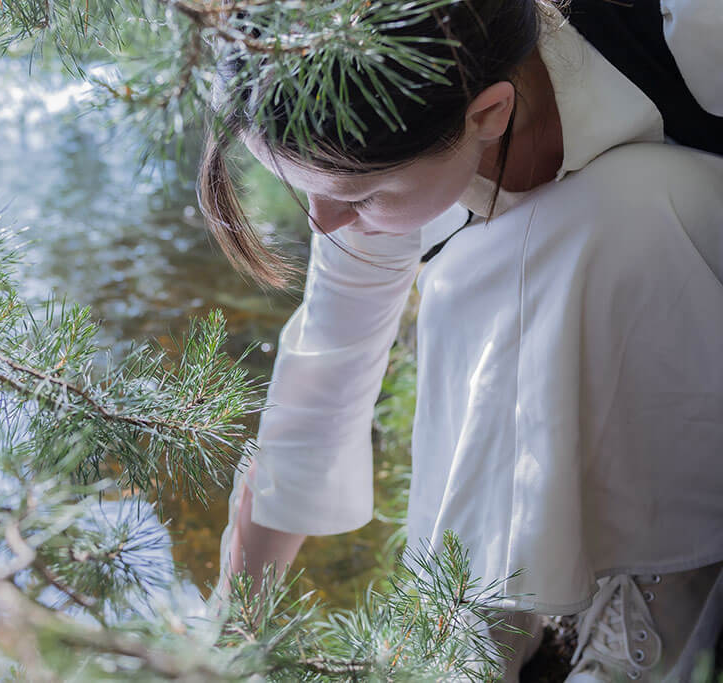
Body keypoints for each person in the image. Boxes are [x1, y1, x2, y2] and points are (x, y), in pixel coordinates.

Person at [197, 0, 723, 680]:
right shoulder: (388, 125)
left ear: (489, 113)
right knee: (480, 277)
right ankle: (474, 612)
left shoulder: (690, 25)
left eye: (357, 195)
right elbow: (326, 369)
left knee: (600, 224)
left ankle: (663, 590)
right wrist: (232, 616)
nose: (324, 224)